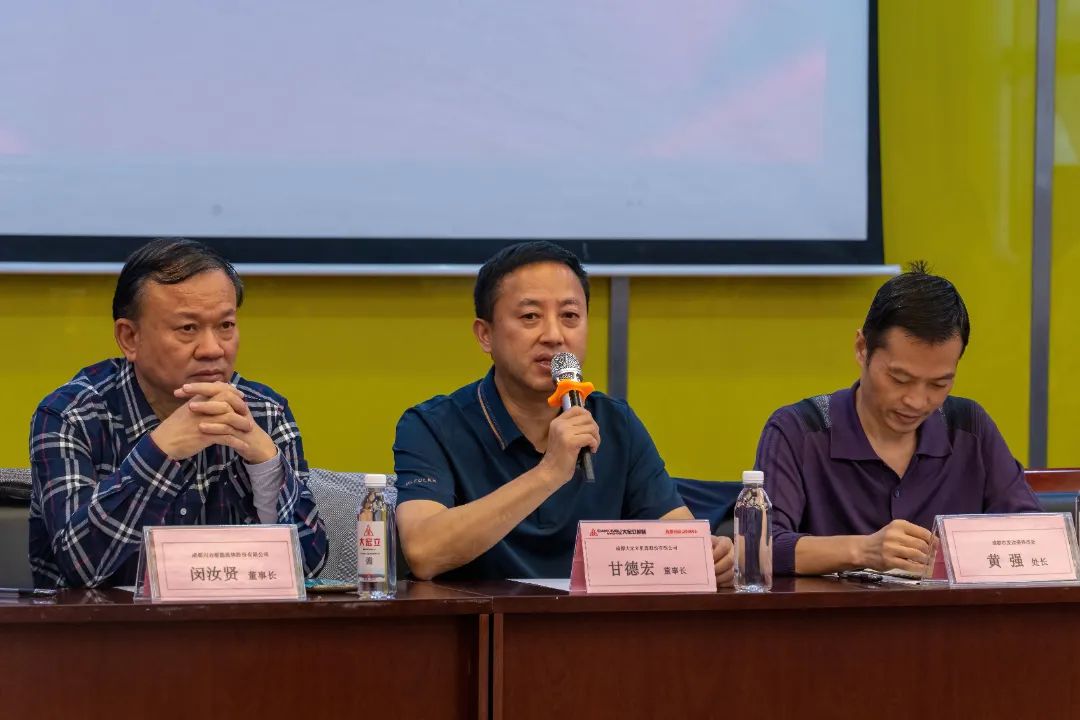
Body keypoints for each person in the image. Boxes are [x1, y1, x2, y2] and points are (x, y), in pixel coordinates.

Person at [393, 241, 735, 583]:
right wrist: (549, 472)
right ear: (486, 335)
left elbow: (680, 537)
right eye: (530, 317)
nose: (554, 335)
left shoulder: (615, 423)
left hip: (592, 618)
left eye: (569, 316)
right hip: (481, 616)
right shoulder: (432, 426)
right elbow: (424, 552)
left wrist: (709, 557)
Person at [29, 238, 327, 587]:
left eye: (226, 326)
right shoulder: (71, 415)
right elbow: (81, 566)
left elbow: (308, 570)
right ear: (129, 338)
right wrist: (160, 452)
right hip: (107, 623)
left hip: (235, 621)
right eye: (188, 329)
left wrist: (265, 463)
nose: (212, 349)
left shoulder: (264, 411)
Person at [755, 264, 1040, 577]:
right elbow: (756, 547)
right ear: (862, 349)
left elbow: (1034, 536)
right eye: (899, 379)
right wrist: (863, 550)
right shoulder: (799, 431)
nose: (917, 401)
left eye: (939, 384)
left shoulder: (969, 428)